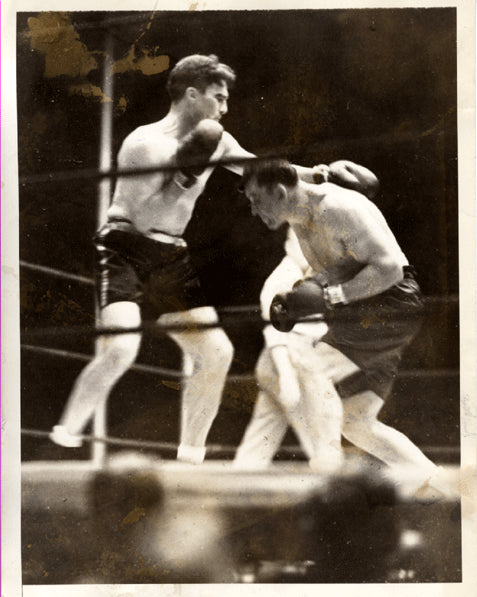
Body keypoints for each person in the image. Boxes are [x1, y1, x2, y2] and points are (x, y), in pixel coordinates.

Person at [49, 54, 319, 463]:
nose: (225, 109)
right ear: (192, 95)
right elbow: (142, 217)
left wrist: (317, 175)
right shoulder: (144, 144)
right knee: (122, 349)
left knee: (216, 353)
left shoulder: (220, 140)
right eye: (218, 98)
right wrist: (185, 176)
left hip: (170, 255)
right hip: (125, 247)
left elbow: (258, 168)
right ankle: (65, 435)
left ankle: (190, 459)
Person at [235, 158, 440, 486]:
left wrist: (330, 297)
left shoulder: (338, 207)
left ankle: (326, 471)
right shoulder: (298, 218)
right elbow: (337, 269)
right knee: (356, 422)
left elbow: (389, 269)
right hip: (362, 309)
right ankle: (445, 483)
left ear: (278, 192)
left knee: (306, 359)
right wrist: (302, 297)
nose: (253, 210)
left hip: (390, 302)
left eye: (256, 201)